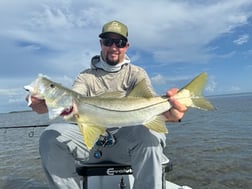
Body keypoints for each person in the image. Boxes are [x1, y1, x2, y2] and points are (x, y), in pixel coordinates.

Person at [27, 20, 187, 189]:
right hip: (94, 144)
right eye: (107, 41)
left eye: (119, 42)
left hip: (127, 146)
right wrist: (42, 103)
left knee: (151, 134)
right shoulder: (86, 77)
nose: (113, 47)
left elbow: (151, 108)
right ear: (100, 44)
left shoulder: (136, 74)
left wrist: (172, 114)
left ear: (126, 46)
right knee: (50, 136)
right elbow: (75, 99)